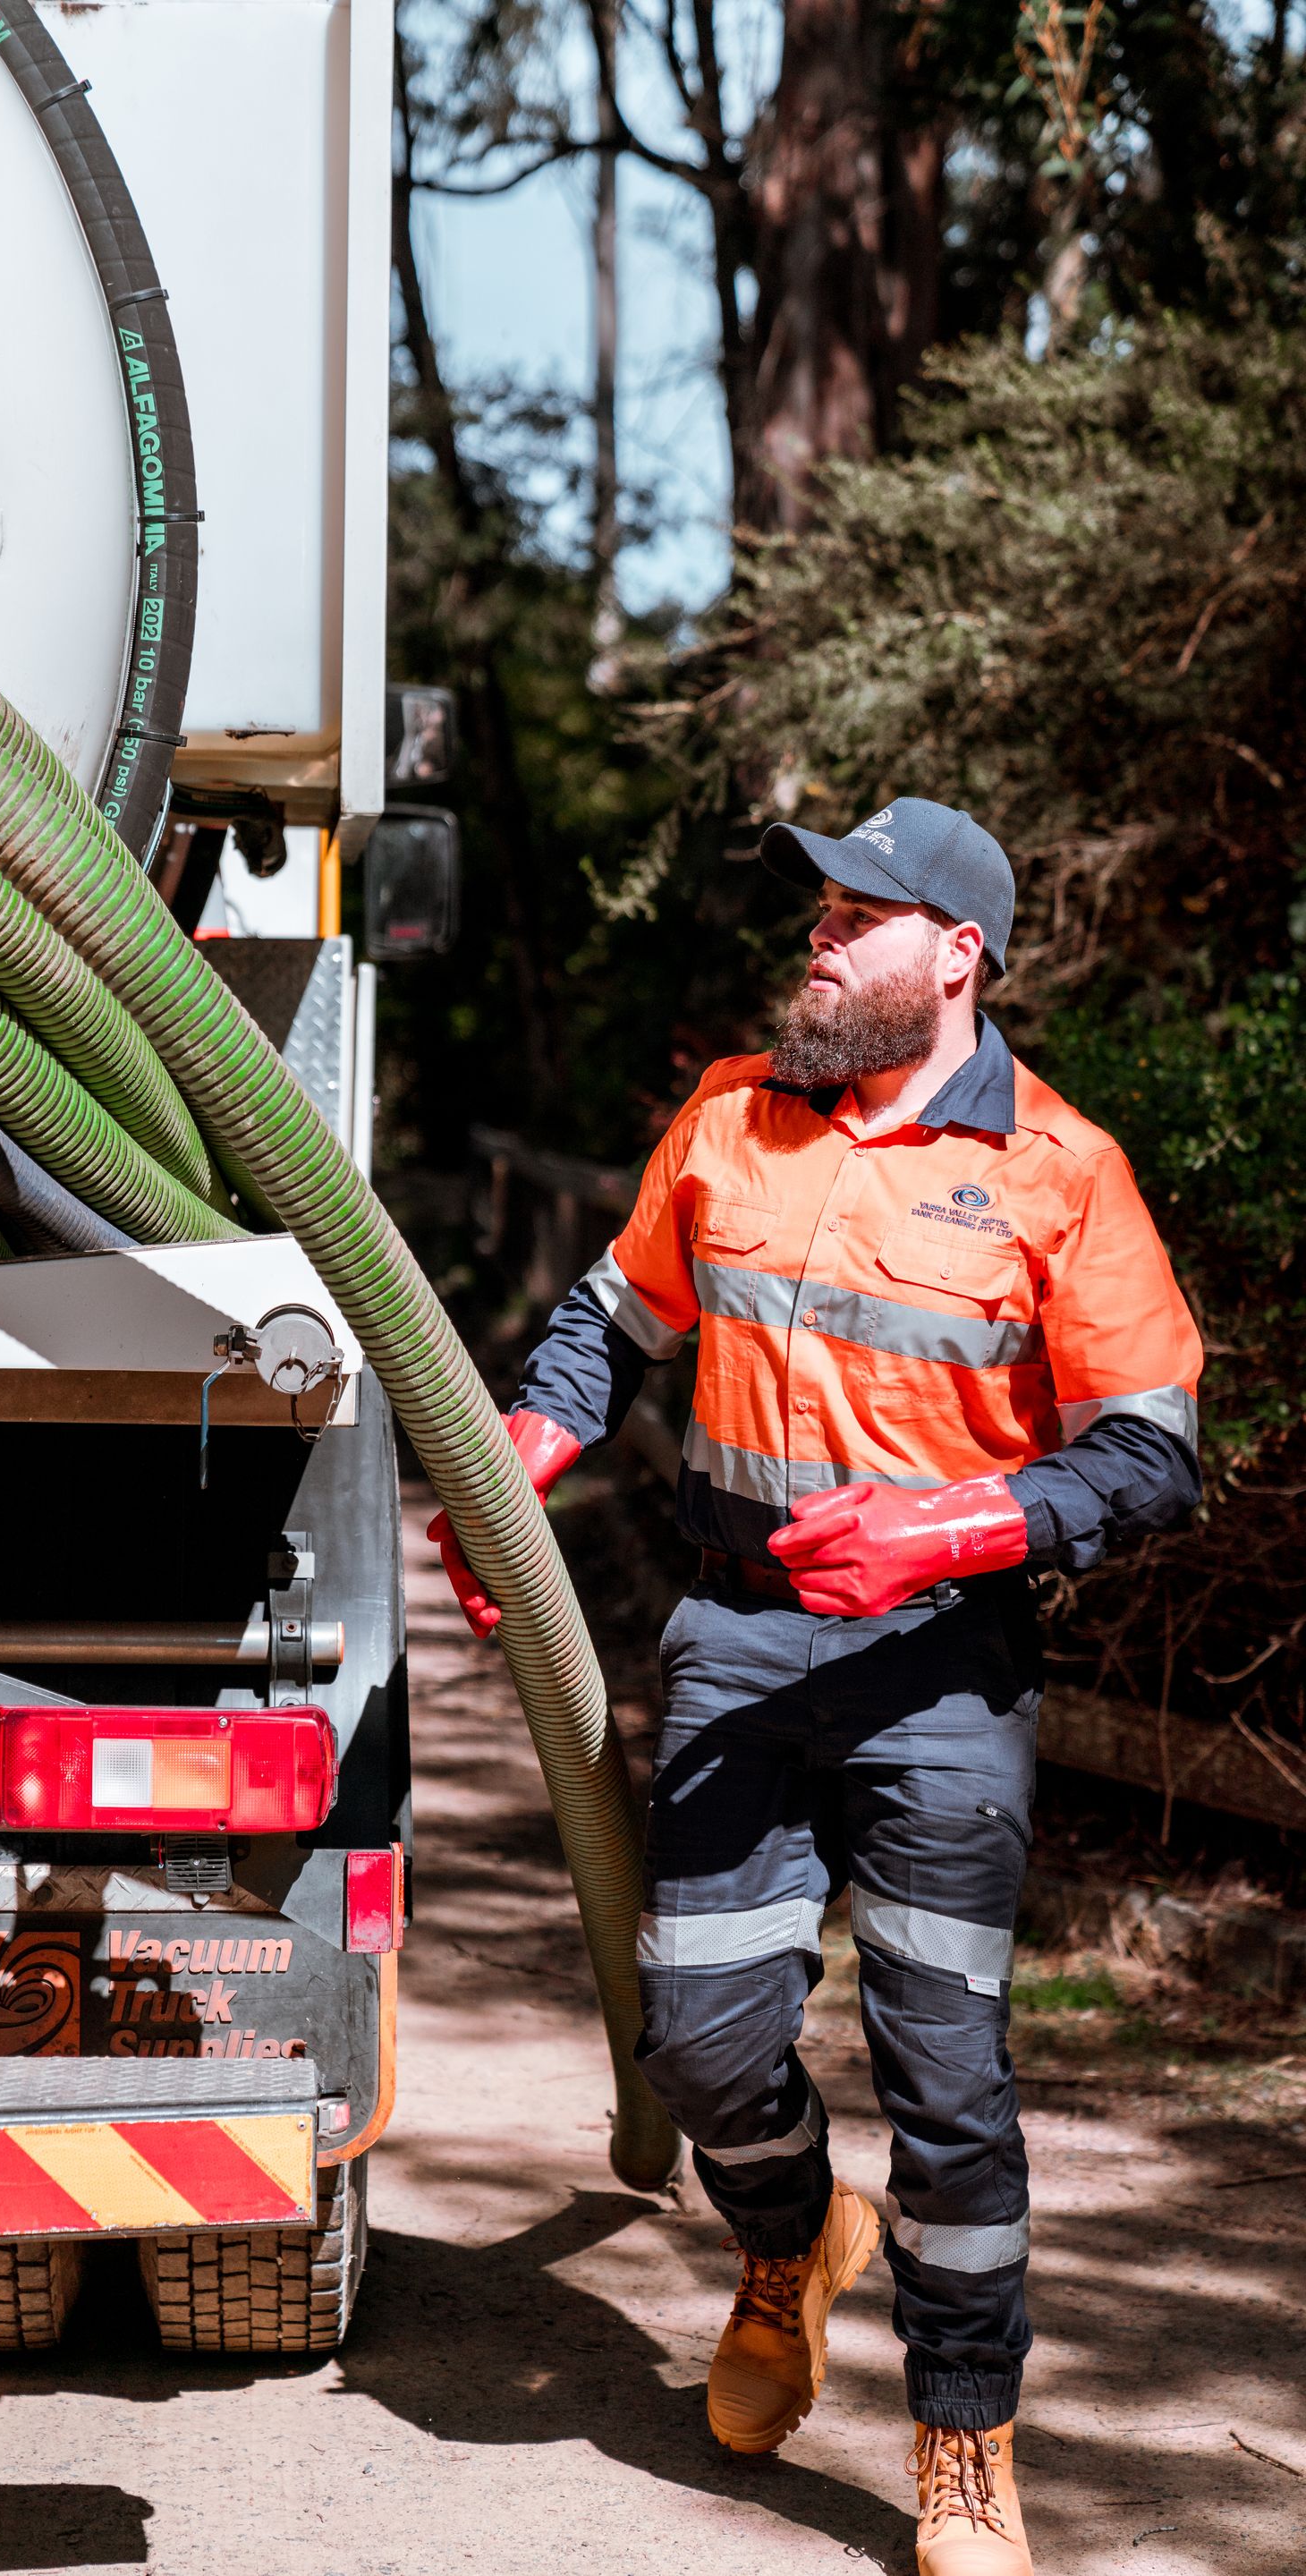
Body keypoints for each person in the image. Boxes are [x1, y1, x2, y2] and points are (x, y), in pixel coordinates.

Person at [430, 799, 1202, 2575]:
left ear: (959, 958)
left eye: (864, 917)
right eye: (819, 913)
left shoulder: (1060, 1169)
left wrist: (951, 1531)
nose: (823, 942)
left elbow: (1152, 1456)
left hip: (943, 1674)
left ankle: (963, 2447)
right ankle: (789, 2242)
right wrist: (529, 1444)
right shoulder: (725, 1116)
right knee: (698, 2039)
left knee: (945, 2080)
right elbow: (610, 1326)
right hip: (742, 1640)